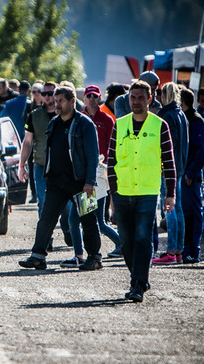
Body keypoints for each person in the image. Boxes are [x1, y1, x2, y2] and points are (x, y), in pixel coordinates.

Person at [18, 86, 102, 272]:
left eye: (61, 101)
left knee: (88, 220)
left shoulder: (85, 124)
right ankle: (38, 256)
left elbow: (92, 155)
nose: (57, 104)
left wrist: (90, 181)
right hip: (57, 182)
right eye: (55, 101)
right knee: (46, 218)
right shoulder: (54, 122)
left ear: (72, 102)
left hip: (81, 182)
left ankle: (94, 258)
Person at [107, 80, 176, 302]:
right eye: (133, 97)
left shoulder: (160, 125)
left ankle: (137, 284)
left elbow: (169, 161)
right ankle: (140, 278)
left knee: (143, 238)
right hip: (122, 192)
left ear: (149, 100)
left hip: (147, 191)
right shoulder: (120, 124)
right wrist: (112, 193)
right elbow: (111, 161)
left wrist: (170, 193)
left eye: (140, 98)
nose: (136, 101)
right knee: (126, 242)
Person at [78, 85, 122, 257]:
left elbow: (114, 147)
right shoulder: (79, 117)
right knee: (86, 217)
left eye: (95, 96)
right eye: (89, 96)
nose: (92, 99)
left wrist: (112, 171)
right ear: (84, 98)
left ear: (100, 98)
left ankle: (120, 245)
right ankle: (90, 251)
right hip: (83, 174)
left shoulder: (107, 119)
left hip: (100, 173)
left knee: (99, 220)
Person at [153, 82, 189, 265]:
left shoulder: (167, 115)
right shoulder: (181, 114)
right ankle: (178, 251)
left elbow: (168, 145)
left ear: (164, 95)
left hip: (169, 168)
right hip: (180, 166)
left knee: (170, 208)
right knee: (178, 208)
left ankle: (171, 251)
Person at [18, 82, 57, 216]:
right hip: (40, 165)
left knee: (68, 208)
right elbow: (27, 142)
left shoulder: (65, 114)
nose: (46, 97)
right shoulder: (34, 115)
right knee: (43, 203)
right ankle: (45, 237)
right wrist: (22, 165)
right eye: (43, 94)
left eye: (50, 94)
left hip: (63, 167)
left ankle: (71, 235)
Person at [179, 88, 204, 264]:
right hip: (186, 175)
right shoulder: (186, 118)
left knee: (193, 213)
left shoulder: (195, 120)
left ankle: (193, 251)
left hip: (191, 177)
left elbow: (203, 150)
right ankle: (187, 249)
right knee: (186, 213)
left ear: (183, 102)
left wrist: (191, 173)